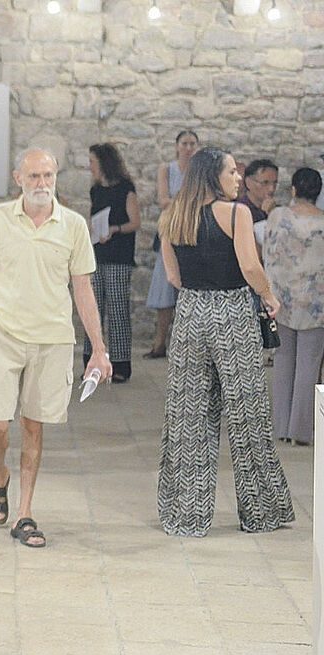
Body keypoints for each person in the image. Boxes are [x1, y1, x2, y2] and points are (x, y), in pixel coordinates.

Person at [0, 148, 110, 549]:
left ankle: (24, 513)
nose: (42, 184)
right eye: (33, 176)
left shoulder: (73, 225)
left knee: (33, 424)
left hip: (53, 339)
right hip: (3, 335)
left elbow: (83, 288)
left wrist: (98, 349)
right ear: (18, 178)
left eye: (48, 176)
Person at [156, 147, 294, 537]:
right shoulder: (236, 214)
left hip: (189, 313)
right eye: (232, 172)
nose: (238, 178)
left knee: (188, 415)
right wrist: (267, 295)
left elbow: (173, 276)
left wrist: (199, 294)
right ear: (212, 176)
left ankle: (186, 515)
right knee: (247, 412)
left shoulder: (173, 216)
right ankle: (261, 512)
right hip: (232, 312)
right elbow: (250, 266)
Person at [263, 167, 324, 445]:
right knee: (309, 366)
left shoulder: (278, 216)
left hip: (281, 301)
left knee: (283, 362)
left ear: (294, 190)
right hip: (316, 304)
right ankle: (301, 430)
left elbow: (269, 252)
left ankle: (281, 427)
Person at [86, 143, 140, 382]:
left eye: (92, 162)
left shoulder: (126, 189)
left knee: (118, 310)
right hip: (97, 254)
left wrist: (114, 229)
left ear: (104, 163)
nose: (90, 166)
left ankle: (120, 364)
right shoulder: (96, 190)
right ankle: (91, 361)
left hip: (119, 256)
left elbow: (135, 222)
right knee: (93, 308)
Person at [146, 129, 198, 359]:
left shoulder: (198, 171)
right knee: (165, 291)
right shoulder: (166, 169)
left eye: (192, 144)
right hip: (170, 232)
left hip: (191, 234)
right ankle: (159, 344)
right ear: (177, 146)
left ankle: (186, 347)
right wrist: (185, 201)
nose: (188, 148)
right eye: (185, 143)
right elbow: (163, 200)